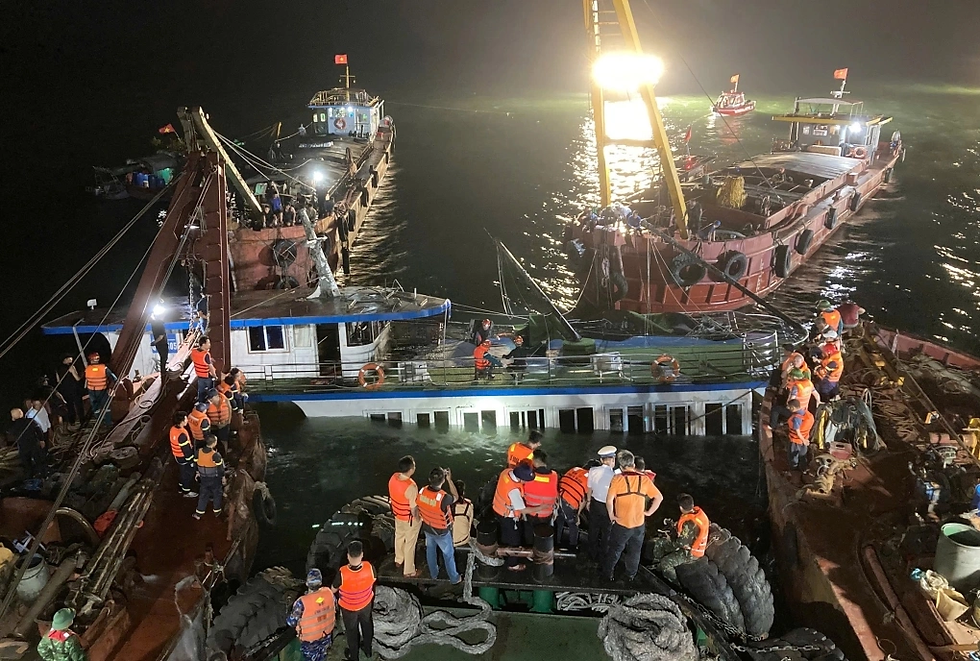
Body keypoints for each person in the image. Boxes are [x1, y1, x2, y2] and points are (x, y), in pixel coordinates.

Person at [602, 450, 663, 581]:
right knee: (635, 552)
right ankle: (630, 575)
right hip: (639, 525)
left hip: (622, 524)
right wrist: (649, 512)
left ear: (621, 466)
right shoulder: (644, 479)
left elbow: (609, 500)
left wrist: (612, 515)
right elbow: (659, 497)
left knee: (615, 550)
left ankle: (608, 574)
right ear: (633, 464)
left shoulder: (617, 479)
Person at [648, 494, 710, 583]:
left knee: (666, 562)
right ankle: (657, 566)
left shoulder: (689, 523)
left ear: (681, 508)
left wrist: (670, 540)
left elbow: (681, 543)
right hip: (689, 545)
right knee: (660, 543)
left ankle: (674, 583)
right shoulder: (697, 514)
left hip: (690, 552)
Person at [416, 467, 461, 584]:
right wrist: (450, 480)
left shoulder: (421, 491)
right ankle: (454, 578)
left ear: (429, 479)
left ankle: (434, 574)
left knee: (430, 550)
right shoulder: (444, 498)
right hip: (441, 532)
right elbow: (456, 497)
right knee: (448, 554)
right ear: (443, 480)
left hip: (427, 527)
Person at [333, 541, 376, 661]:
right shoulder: (369, 567)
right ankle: (368, 650)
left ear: (348, 556)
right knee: (367, 626)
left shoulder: (342, 573)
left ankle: (354, 657)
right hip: (365, 604)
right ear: (362, 554)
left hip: (348, 609)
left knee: (352, 633)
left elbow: (333, 589)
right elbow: (374, 579)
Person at [492, 463, 535, 571]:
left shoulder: (506, 472)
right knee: (514, 540)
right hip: (508, 516)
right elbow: (523, 509)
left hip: (498, 509)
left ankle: (503, 552)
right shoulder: (513, 491)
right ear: (520, 478)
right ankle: (513, 564)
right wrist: (540, 507)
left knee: (505, 534)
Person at [287, 568, 335, 661]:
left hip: (310, 641)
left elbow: (291, 622)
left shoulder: (302, 602)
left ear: (307, 583)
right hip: (326, 635)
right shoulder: (329, 593)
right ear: (320, 582)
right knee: (322, 657)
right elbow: (334, 606)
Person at [388, 455, 422, 578]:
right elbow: (413, 508)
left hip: (397, 515)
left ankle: (398, 559)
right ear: (411, 469)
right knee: (410, 543)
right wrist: (418, 519)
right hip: (409, 519)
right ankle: (409, 570)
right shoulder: (411, 486)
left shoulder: (393, 477)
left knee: (399, 536)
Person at [586, 446, 618, 564]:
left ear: (601, 460)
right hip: (608, 506)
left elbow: (589, 488)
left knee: (593, 530)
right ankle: (604, 555)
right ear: (613, 460)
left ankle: (592, 554)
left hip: (595, 503)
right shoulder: (615, 476)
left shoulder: (592, 470)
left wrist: (588, 501)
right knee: (607, 532)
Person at [522, 450, 558, 544]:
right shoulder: (554, 475)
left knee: (529, 531)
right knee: (543, 533)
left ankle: (529, 550)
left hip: (532, 512)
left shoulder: (529, 476)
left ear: (536, 461)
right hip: (547, 513)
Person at [555, 465, 589, 550]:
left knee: (559, 521)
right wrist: (577, 514)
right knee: (573, 525)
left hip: (558, 497)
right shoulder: (590, 478)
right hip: (569, 502)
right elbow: (584, 500)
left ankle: (556, 543)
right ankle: (572, 547)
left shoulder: (574, 469)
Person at [7, 408, 46, 480]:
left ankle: (30, 479)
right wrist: (41, 440)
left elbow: (11, 434)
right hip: (34, 444)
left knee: (27, 465)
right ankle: (43, 476)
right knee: (39, 461)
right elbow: (39, 430)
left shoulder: (13, 426)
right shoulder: (30, 421)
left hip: (23, 447)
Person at [194, 434, 225, 520]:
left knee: (203, 494)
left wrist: (197, 472)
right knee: (217, 494)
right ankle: (217, 511)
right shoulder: (215, 455)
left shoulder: (198, 451)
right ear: (214, 443)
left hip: (203, 478)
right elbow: (220, 469)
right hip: (214, 479)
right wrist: (223, 477)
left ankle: (199, 513)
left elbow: (196, 463)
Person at [169, 412, 197, 497]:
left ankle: (180, 486)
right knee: (188, 473)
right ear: (181, 421)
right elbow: (187, 451)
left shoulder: (173, 429)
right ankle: (186, 491)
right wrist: (192, 461)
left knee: (183, 471)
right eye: (185, 419)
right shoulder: (182, 435)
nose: (187, 420)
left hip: (177, 456)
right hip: (183, 457)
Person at [84, 352, 116, 425]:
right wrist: (112, 387)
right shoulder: (104, 368)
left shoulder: (87, 369)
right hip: (102, 391)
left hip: (92, 391)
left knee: (96, 408)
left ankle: (99, 422)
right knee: (106, 407)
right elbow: (114, 378)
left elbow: (85, 379)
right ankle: (108, 422)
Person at [55, 354, 84, 427]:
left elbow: (58, 381)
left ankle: (72, 422)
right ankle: (82, 421)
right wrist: (74, 372)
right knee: (79, 405)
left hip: (65, 390)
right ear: (65, 360)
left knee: (70, 406)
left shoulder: (58, 369)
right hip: (74, 389)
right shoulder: (71, 367)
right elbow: (77, 378)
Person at [814, 336, 844, 400]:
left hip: (829, 380)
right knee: (833, 389)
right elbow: (827, 361)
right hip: (834, 380)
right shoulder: (835, 356)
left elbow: (823, 372)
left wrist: (817, 368)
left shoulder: (833, 363)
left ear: (829, 352)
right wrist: (820, 361)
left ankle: (825, 401)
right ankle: (835, 396)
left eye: (825, 352)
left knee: (824, 391)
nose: (823, 353)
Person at [787, 398, 813, 470]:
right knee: (803, 455)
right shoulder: (806, 414)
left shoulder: (796, 418)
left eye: (789, 407)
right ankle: (803, 469)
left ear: (793, 408)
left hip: (796, 441)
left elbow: (797, 431)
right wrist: (804, 440)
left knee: (793, 456)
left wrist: (803, 440)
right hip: (805, 438)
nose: (788, 408)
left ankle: (794, 469)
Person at [206, 387, 233, 455]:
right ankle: (213, 454)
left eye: (211, 397)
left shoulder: (225, 400)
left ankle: (225, 453)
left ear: (216, 396)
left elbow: (229, 409)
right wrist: (212, 423)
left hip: (224, 424)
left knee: (224, 439)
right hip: (213, 425)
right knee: (212, 441)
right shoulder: (207, 404)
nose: (210, 399)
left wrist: (229, 421)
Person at [191, 336, 217, 402]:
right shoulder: (206, 354)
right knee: (210, 393)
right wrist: (214, 375)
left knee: (201, 392)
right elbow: (210, 367)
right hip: (207, 376)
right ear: (203, 344)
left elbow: (194, 359)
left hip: (199, 375)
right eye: (208, 343)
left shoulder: (193, 351)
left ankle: (201, 404)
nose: (210, 345)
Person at [451, 479, 474, 548]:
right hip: (463, 540)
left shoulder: (446, 504)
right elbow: (470, 524)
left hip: (448, 541)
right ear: (463, 492)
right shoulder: (469, 505)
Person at [150, 311, 169, 375]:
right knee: (164, 357)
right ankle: (163, 371)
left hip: (158, 345)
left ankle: (163, 370)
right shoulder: (160, 325)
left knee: (162, 357)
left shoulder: (153, 324)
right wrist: (155, 342)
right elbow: (161, 336)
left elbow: (151, 318)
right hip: (163, 344)